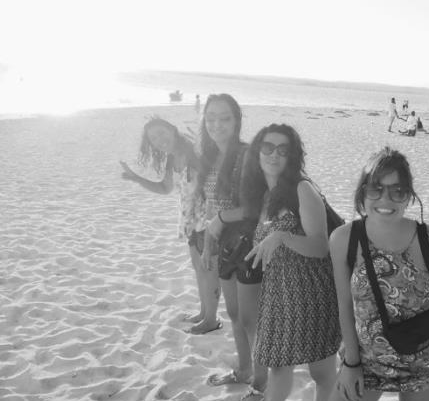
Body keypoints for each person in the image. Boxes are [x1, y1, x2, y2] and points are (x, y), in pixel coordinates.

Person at [329, 147, 429, 401]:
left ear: (409, 196)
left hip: (425, 361)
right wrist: (350, 363)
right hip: (365, 360)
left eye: (397, 191)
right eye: (375, 189)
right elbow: (344, 305)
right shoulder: (343, 240)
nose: (385, 199)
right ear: (362, 192)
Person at [244, 124, 341, 401]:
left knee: (321, 372)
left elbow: (320, 246)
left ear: (292, 156)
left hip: (313, 291)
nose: (274, 154)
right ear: (257, 151)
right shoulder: (265, 194)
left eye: (283, 150)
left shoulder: (302, 189)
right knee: (278, 364)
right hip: (279, 293)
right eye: (268, 147)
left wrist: (282, 237)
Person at [119, 117, 220, 333]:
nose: (159, 139)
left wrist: (213, 223)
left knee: (209, 270)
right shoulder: (171, 159)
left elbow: (216, 182)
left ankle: (211, 320)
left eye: (161, 133)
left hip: (208, 219)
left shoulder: (194, 151)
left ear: (173, 130)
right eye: (153, 138)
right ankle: (204, 313)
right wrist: (136, 178)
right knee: (199, 269)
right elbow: (165, 188)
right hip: (190, 220)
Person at [198, 94, 268, 400]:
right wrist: (208, 244)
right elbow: (212, 206)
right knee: (234, 313)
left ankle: (261, 384)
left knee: (252, 319)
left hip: (250, 244)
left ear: (236, 120)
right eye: (211, 118)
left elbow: (258, 206)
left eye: (224, 118)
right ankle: (243, 370)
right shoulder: (211, 156)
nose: (217, 124)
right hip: (225, 245)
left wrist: (222, 219)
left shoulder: (247, 155)